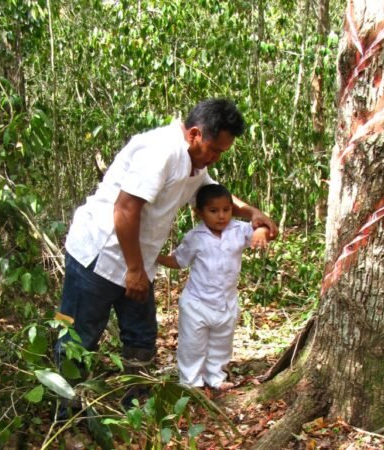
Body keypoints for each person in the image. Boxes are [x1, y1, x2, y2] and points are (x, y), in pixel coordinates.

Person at [55, 98, 277, 402]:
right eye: (214, 150)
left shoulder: (195, 163)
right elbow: (125, 209)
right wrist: (134, 269)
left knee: (141, 336)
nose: (215, 158)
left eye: (221, 153)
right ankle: (67, 417)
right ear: (196, 134)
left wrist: (251, 213)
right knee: (76, 338)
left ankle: (135, 408)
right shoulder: (161, 151)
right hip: (97, 255)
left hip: (137, 262)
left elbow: (211, 193)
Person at [157, 183, 271, 390]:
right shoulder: (195, 237)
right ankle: (191, 384)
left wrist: (261, 231)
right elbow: (179, 261)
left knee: (221, 343)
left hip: (226, 301)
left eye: (226, 210)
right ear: (199, 212)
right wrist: (154, 256)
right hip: (197, 303)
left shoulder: (238, 230)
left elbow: (267, 229)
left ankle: (215, 378)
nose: (221, 216)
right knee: (192, 345)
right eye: (213, 211)